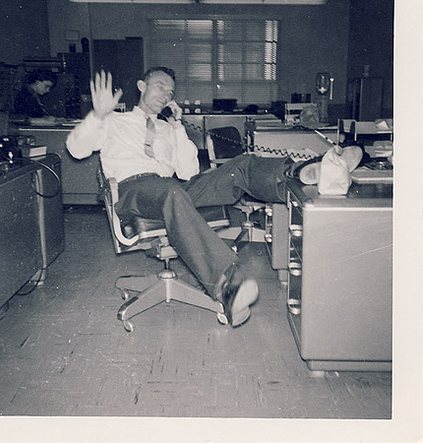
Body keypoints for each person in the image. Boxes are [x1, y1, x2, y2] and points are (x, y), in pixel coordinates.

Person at [66, 67, 361, 327]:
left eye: (170, 92)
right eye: (159, 86)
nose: (165, 94)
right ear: (142, 86)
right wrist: (98, 114)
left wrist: (178, 126)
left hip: (171, 189)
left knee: (242, 165)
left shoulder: (170, 128)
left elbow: (188, 170)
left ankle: (307, 171)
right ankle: (226, 285)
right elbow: (77, 148)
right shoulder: (114, 122)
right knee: (169, 191)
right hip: (133, 190)